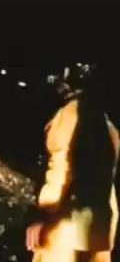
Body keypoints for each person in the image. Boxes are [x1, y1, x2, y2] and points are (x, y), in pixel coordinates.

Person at [26, 63, 120, 262]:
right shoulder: (107, 124)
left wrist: (44, 213)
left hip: (65, 230)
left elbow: (61, 168)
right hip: (99, 230)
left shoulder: (70, 114)